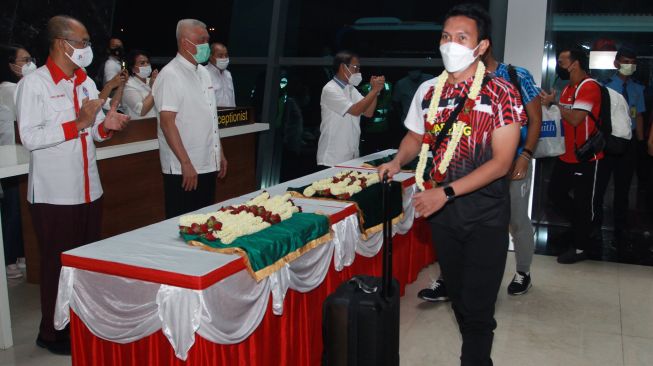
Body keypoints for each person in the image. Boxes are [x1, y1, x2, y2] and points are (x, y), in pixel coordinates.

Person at [378, 4, 525, 365]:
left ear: (481, 46)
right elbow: (416, 136)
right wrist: (398, 160)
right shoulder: (429, 91)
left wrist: (444, 193)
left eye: (462, 37)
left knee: (478, 309)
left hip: (485, 214)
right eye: (446, 36)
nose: (451, 43)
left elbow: (502, 163)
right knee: (460, 297)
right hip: (442, 216)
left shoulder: (501, 93)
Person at [15, 15, 130, 354]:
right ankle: (51, 333)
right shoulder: (34, 84)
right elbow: (29, 138)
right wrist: (76, 122)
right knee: (57, 265)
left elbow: (92, 133)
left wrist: (106, 125)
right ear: (61, 44)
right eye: (81, 42)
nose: (87, 49)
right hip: (54, 194)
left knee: (84, 263)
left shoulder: (83, 82)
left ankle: (81, 322)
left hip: (88, 189)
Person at [417, 44, 542, 302]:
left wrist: (525, 155)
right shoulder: (455, 79)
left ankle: (522, 272)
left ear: (484, 45)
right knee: (453, 220)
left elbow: (535, 119)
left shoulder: (516, 76)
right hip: (466, 166)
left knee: (516, 217)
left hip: (511, 160)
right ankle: (448, 279)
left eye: (466, 40)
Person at [153, 19, 228, 219]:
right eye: (202, 40)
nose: (207, 44)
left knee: (204, 223)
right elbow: (167, 123)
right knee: (182, 223)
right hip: (183, 168)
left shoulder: (203, 72)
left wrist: (219, 153)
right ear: (186, 43)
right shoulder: (171, 74)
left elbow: (211, 117)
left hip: (206, 163)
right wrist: (185, 163)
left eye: (207, 39)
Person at [542, 47, 610, 264]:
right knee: (555, 194)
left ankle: (582, 247)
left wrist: (554, 104)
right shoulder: (569, 88)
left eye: (562, 62)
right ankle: (583, 227)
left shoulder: (589, 87)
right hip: (566, 155)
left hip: (587, 156)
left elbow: (575, 119)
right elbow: (565, 118)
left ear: (575, 63)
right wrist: (553, 105)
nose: (559, 66)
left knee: (583, 203)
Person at [604, 47, 646, 243]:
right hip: (609, 140)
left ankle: (620, 230)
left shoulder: (638, 89)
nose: (629, 65)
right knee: (602, 185)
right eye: (625, 61)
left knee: (624, 187)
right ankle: (596, 226)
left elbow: (639, 116)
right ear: (616, 63)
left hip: (629, 144)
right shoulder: (605, 87)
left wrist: (640, 142)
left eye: (632, 62)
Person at [317, 50, 385, 167]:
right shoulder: (330, 89)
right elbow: (356, 110)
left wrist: (376, 92)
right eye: (356, 68)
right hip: (332, 158)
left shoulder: (351, 89)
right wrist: (373, 91)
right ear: (343, 67)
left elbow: (368, 112)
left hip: (351, 156)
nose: (358, 72)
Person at [0, 45, 34, 279]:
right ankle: (10, 257)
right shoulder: (9, 88)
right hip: (10, 157)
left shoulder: (20, 86)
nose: (29, 64)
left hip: (23, 155)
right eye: (25, 60)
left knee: (20, 208)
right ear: (10, 65)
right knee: (12, 208)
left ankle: (21, 254)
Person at [122, 49, 158, 118]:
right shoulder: (128, 85)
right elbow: (141, 111)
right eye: (142, 63)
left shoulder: (150, 80)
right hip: (138, 126)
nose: (146, 65)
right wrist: (154, 88)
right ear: (132, 68)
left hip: (156, 124)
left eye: (148, 62)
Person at [207, 42, 235, 107]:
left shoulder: (228, 75)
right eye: (220, 55)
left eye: (226, 55)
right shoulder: (203, 73)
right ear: (210, 57)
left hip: (228, 116)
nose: (224, 58)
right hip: (210, 116)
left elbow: (232, 101)